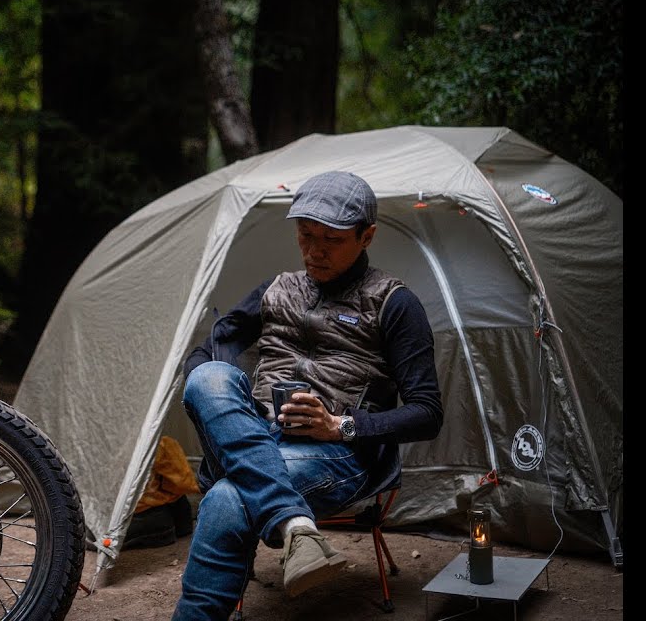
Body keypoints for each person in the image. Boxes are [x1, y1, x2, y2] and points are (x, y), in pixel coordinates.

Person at [170, 170, 444, 621]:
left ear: (366, 236)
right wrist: (226, 410)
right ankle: (295, 524)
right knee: (207, 376)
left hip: (335, 456)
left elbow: (427, 413)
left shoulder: (394, 303)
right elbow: (210, 348)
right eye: (305, 234)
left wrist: (341, 426)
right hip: (255, 435)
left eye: (332, 239)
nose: (315, 250)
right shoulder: (277, 290)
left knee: (225, 498)